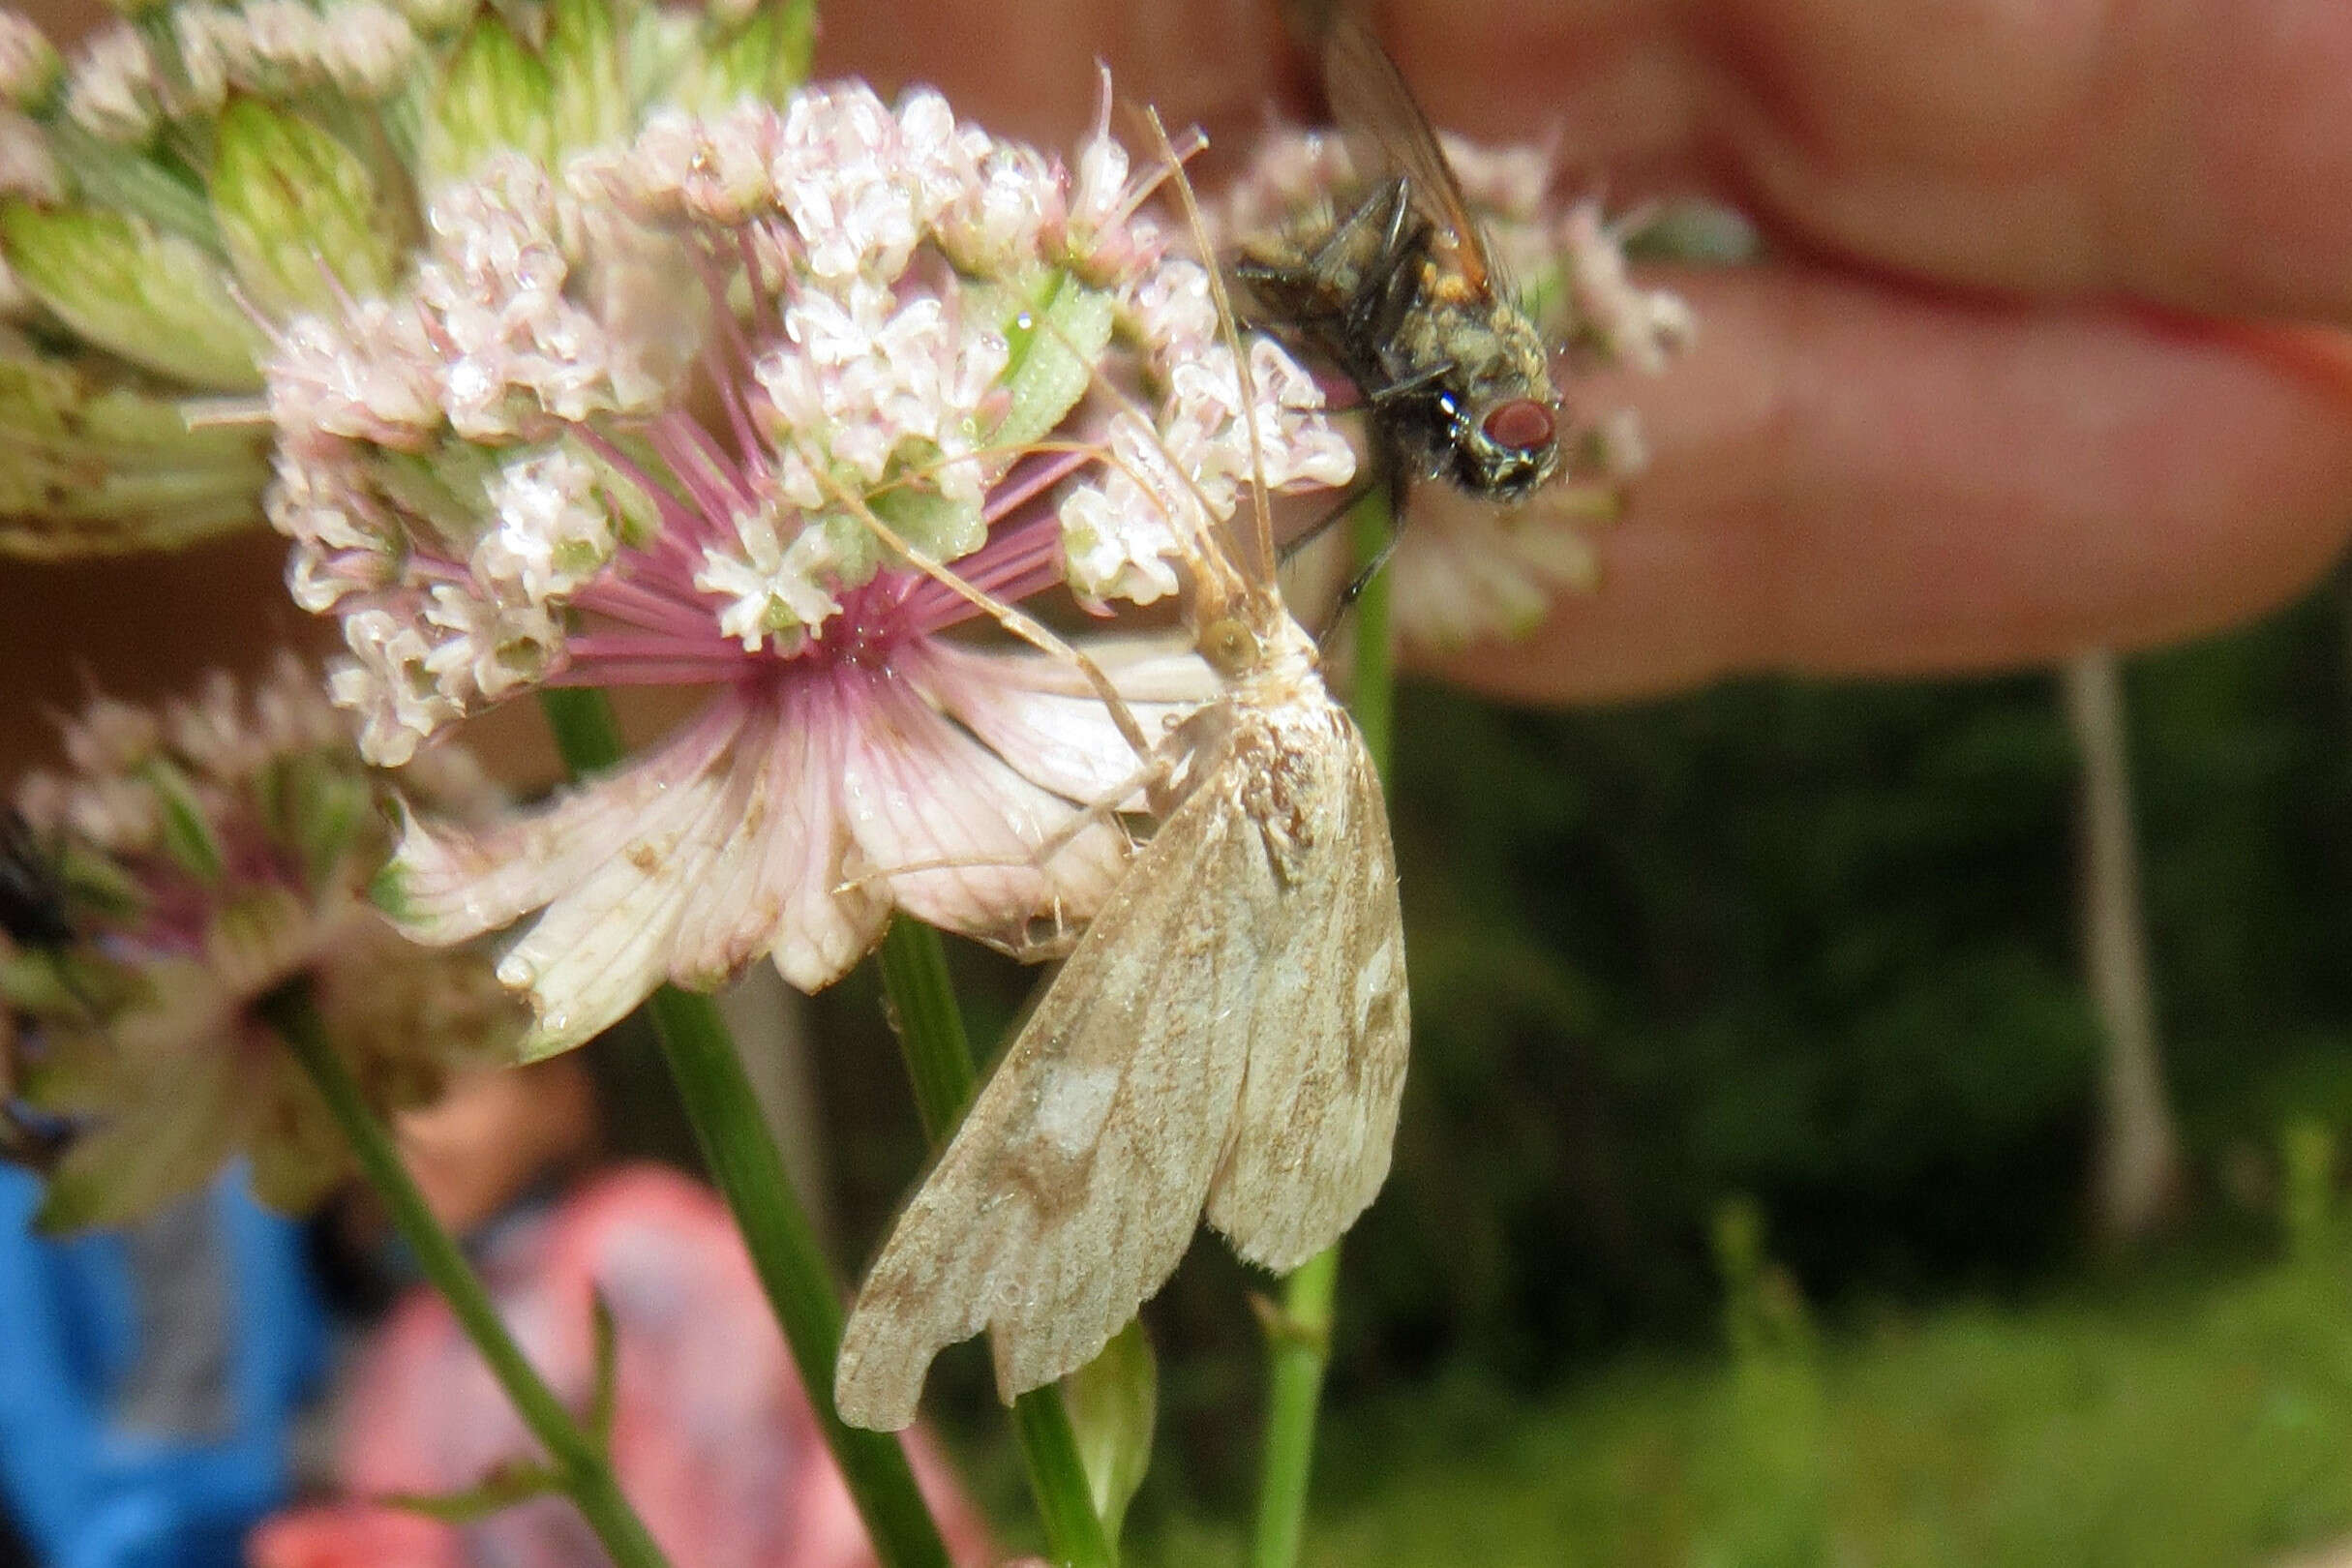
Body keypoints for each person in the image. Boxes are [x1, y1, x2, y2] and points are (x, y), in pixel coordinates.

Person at [812, 0, 2352, 699]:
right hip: (1290, 283)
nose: (1504, 446)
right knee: (1344, 312)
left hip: (1284, 328)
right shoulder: (1442, 314)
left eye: (1517, 440)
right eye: (1520, 435)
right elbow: (1384, 235)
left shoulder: (1475, 377)